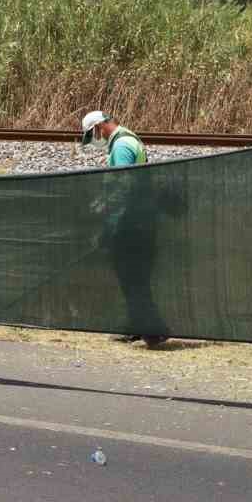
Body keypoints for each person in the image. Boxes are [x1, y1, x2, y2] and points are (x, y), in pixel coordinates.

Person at [80, 110, 166, 347]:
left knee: (132, 277)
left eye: (91, 135)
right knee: (133, 278)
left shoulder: (121, 146)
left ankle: (153, 330)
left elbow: (124, 185)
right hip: (138, 220)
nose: (93, 140)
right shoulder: (127, 140)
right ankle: (137, 327)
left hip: (131, 223)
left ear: (100, 127)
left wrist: (108, 219)